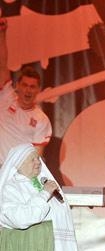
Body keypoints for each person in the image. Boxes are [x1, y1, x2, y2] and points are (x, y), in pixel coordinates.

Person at [0, 18, 52, 164]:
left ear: (38, 90)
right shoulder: (6, 98)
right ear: (17, 86)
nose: (28, 90)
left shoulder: (41, 119)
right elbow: (2, 65)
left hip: (17, 173)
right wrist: (2, 34)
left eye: (32, 87)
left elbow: (36, 156)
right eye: (25, 85)